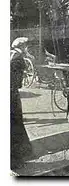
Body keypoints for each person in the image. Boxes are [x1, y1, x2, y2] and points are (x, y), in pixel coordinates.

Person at [10, 37, 32, 169]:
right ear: (23, 46)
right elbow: (17, 81)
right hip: (12, 94)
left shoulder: (9, 53)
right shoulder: (18, 58)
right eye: (26, 46)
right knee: (16, 124)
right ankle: (16, 160)